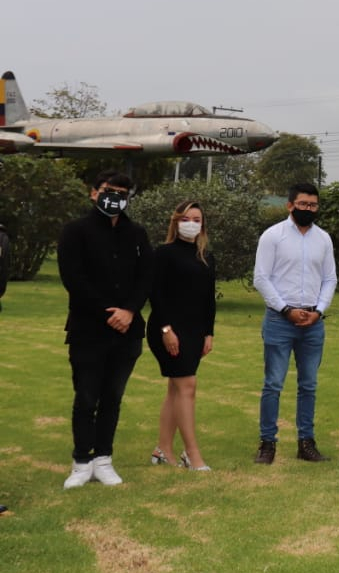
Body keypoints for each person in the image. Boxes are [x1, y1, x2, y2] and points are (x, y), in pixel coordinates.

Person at [57, 171, 153, 488]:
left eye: (122, 192)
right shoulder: (75, 231)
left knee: (113, 396)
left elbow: (145, 277)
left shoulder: (137, 233)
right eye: (109, 191)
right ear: (94, 193)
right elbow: (73, 278)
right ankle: (81, 461)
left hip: (128, 329)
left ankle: (104, 458)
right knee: (86, 397)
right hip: (88, 328)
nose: (115, 197)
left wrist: (129, 310)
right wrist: (106, 312)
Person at [252, 183, 337, 464]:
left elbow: (329, 279)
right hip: (280, 319)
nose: (307, 209)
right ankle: (267, 443)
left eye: (313, 205)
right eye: (302, 204)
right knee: (273, 384)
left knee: (309, 385)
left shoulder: (323, 239)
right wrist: (286, 309)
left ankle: (306, 443)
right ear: (290, 205)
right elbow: (261, 278)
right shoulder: (273, 236)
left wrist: (320, 310)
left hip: (313, 321)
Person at [147, 201, 217, 471]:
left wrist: (209, 333)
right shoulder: (163, 253)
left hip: (195, 331)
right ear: (176, 222)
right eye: (186, 218)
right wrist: (166, 329)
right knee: (187, 387)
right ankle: (192, 454)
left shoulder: (206, 257)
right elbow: (156, 294)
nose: (191, 223)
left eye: (197, 219)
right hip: (167, 331)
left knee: (175, 389)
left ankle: (163, 449)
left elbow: (209, 299)